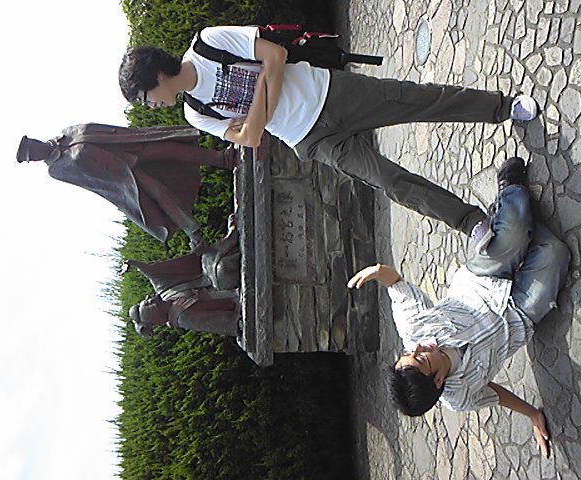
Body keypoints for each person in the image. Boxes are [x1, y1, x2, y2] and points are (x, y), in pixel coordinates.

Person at [118, 26, 539, 235]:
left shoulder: (208, 42)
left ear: (157, 75)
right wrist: (266, 93)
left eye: (145, 97)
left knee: (418, 99)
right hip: (311, 140)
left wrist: (258, 109)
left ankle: (503, 107)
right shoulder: (195, 113)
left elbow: (276, 55)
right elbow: (249, 138)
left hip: (331, 92)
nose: (151, 106)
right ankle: (471, 223)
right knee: (389, 182)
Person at [347, 157, 570, 458]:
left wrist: (375, 271)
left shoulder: (413, 329)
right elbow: (494, 394)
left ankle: (510, 197)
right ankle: (515, 233)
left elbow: (395, 283)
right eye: (421, 359)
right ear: (438, 381)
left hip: (484, 279)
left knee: (516, 228)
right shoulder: (460, 397)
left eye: (408, 353)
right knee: (556, 252)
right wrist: (532, 413)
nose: (417, 348)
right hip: (519, 316)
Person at [17, 123, 236, 247]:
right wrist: (121, 186)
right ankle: (192, 232)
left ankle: (222, 159)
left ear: (35, 141)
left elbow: (100, 129)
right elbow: (93, 183)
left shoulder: (66, 133)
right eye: (32, 157)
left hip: (128, 146)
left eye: (32, 150)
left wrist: (130, 135)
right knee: (161, 194)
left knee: (171, 149)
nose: (35, 155)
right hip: (123, 176)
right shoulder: (56, 170)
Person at [125, 214, 240, 337]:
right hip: (227, 293)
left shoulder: (165, 293)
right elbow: (222, 322)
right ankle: (233, 243)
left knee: (207, 256)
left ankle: (231, 237)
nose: (148, 297)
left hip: (207, 277)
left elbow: (153, 274)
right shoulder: (181, 317)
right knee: (222, 269)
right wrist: (237, 323)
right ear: (153, 312)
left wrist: (135, 264)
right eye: (147, 302)